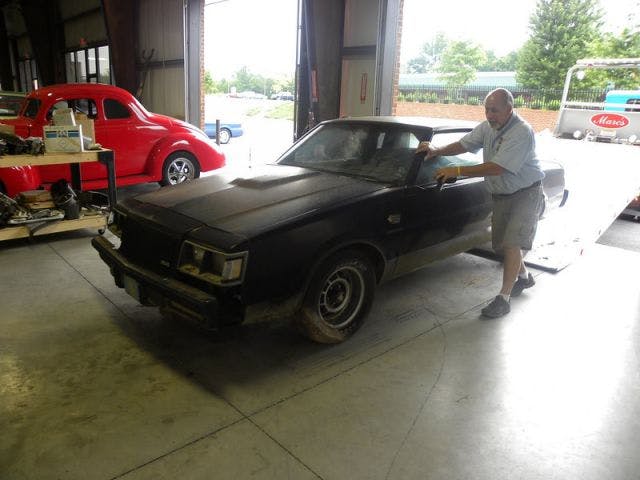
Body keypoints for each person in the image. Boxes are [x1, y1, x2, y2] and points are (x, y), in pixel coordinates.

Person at [415, 88, 544, 318]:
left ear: (509, 109)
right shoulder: (488, 127)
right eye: (487, 110)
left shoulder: (521, 132)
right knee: (503, 245)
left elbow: (498, 167)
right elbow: (464, 144)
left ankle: (503, 299)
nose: (489, 115)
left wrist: (457, 170)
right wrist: (437, 151)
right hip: (502, 194)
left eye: (495, 110)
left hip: (526, 193)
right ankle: (524, 278)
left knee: (512, 243)